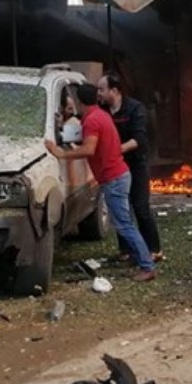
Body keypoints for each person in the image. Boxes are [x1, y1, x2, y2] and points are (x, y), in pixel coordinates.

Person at [44, 83, 156, 282]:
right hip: (119, 174)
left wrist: (61, 153)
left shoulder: (92, 120)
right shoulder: (100, 115)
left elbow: (89, 149)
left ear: (79, 102)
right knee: (126, 223)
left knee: (124, 225)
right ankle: (139, 258)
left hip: (114, 178)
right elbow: (86, 139)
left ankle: (147, 266)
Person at [98, 72, 164, 264]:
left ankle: (154, 249)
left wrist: (115, 150)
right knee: (121, 209)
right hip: (116, 166)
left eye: (101, 89)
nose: (98, 93)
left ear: (114, 90)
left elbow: (140, 139)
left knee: (141, 207)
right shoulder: (101, 110)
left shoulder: (135, 108)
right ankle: (126, 250)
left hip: (136, 164)